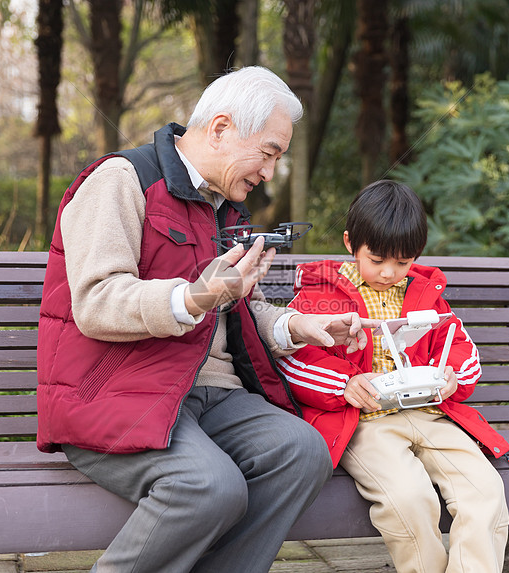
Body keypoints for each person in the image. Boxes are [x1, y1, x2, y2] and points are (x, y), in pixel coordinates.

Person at [36, 66, 377, 573]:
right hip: (115, 391)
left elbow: (237, 308)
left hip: (211, 395)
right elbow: (96, 301)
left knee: (302, 452)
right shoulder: (121, 180)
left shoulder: (226, 207)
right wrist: (195, 297)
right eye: (269, 152)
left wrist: (296, 327)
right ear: (220, 129)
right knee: (209, 487)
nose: (269, 172)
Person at [276, 180, 509, 573]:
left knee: (484, 491)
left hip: (431, 414)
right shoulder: (320, 297)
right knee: (409, 498)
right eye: (378, 259)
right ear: (351, 244)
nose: (389, 272)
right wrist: (345, 385)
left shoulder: (425, 294)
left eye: (402, 263)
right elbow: (295, 360)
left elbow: (459, 345)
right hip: (364, 421)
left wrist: (452, 377)